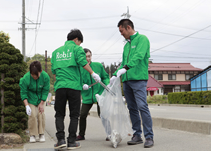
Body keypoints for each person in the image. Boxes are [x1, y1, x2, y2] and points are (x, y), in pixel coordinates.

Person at [51, 29, 102, 150]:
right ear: (76, 40)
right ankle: (72, 141)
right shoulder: (77, 48)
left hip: (60, 87)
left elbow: (54, 73)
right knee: (74, 115)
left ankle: (60, 140)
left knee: (59, 114)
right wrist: (93, 73)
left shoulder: (56, 52)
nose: (80, 45)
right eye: (79, 42)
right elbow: (83, 62)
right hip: (74, 87)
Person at [111, 19, 153, 148]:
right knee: (132, 108)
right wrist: (114, 74)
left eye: (121, 31)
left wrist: (126, 68)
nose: (121, 34)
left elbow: (139, 56)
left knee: (142, 106)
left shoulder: (142, 39)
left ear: (128, 27)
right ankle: (137, 135)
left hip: (139, 79)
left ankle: (149, 137)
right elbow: (123, 63)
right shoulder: (126, 46)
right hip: (127, 81)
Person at [78, 48, 110, 141]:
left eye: (89, 56)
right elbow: (77, 82)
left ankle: (109, 133)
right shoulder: (79, 69)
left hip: (100, 95)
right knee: (82, 115)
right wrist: (82, 86)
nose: (88, 58)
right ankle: (81, 135)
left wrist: (107, 85)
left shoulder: (98, 66)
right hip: (87, 96)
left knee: (103, 114)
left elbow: (105, 77)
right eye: (86, 57)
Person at [20, 60, 50, 144]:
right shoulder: (26, 78)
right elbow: (23, 92)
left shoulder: (45, 77)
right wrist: (26, 105)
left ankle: (41, 134)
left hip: (41, 98)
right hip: (30, 98)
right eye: (32, 75)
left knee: (41, 113)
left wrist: (41, 103)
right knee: (32, 115)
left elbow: (45, 90)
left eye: (36, 75)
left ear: (40, 71)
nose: (34, 77)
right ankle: (32, 135)